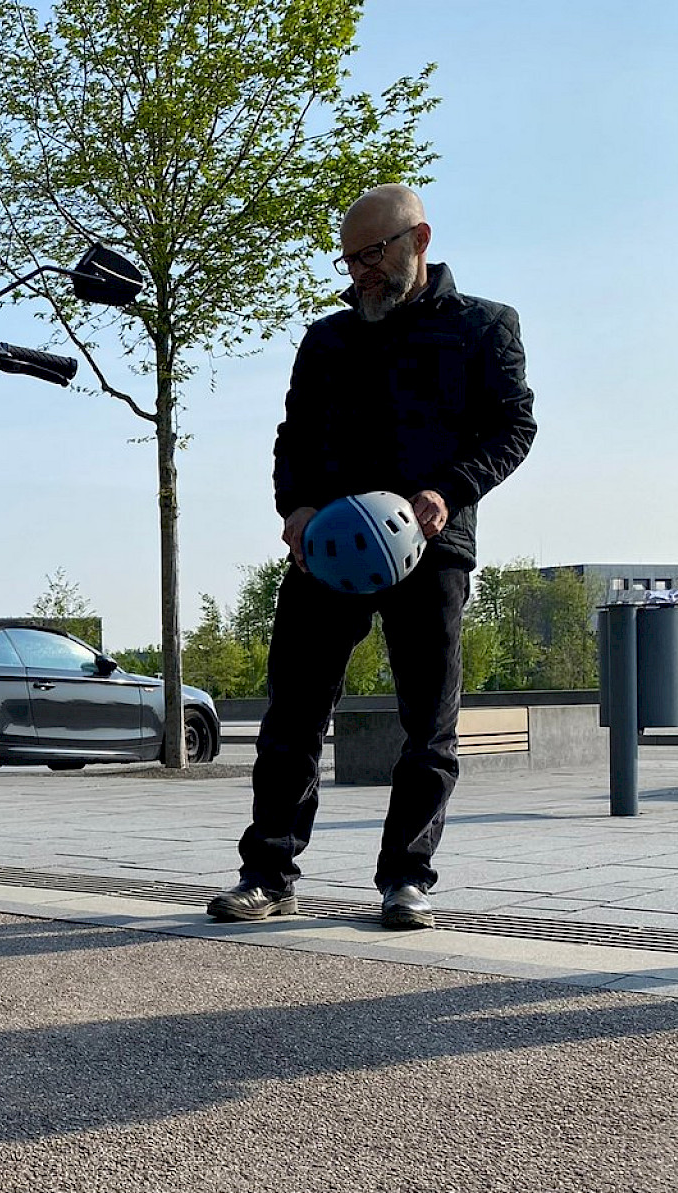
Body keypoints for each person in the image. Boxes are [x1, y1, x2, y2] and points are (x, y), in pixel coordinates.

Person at [208, 184, 536, 930]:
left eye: (374, 254)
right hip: (325, 550)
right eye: (350, 259)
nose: (361, 272)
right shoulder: (326, 339)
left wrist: (450, 490)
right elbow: (292, 438)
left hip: (431, 547)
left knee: (430, 727)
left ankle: (406, 880)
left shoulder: (485, 326)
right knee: (291, 718)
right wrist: (294, 507)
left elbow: (514, 428)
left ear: (419, 239)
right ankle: (268, 874)